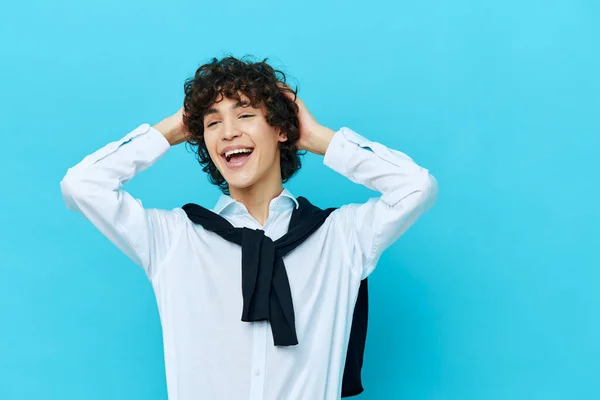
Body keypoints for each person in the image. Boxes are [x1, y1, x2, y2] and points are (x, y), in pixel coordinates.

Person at [60, 55, 438, 400]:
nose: (228, 132)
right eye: (212, 122)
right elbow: (82, 185)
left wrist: (319, 137)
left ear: (280, 130)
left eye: (244, 115)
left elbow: (416, 187)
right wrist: (171, 130)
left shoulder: (340, 237)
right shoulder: (173, 239)